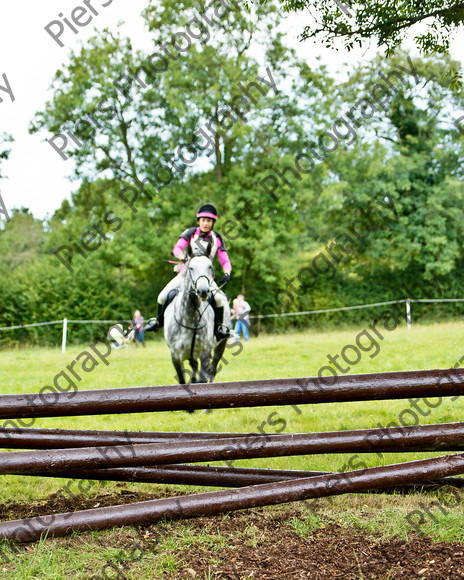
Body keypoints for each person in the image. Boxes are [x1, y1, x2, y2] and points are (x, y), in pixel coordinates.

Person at [146, 204, 232, 340]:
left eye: (208, 221)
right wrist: (183, 258)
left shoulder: (217, 239)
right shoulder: (190, 233)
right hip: (185, 275)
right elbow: (177, 249)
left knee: (219, 299)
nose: (205, 223)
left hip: (205, 278)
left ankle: (219, 328)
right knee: (162, 296)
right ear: (199, 221)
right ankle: (158, 322)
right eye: (203, 220)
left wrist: (227, 272)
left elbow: (225, 260)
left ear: (212, 223)